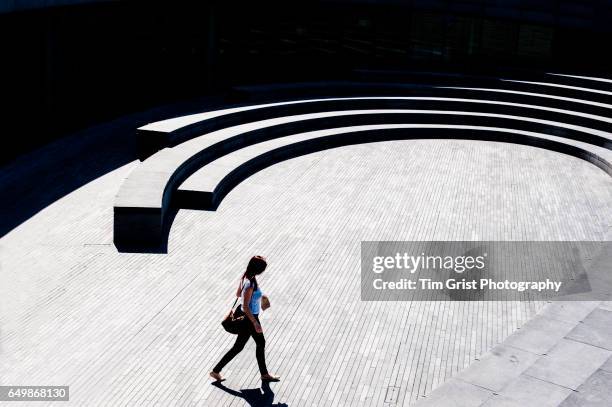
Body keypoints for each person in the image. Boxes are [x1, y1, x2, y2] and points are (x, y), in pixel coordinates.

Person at [210, 256, 280, 382]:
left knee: (239, 347)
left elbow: (238, 294)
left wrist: (258, 296)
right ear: (258, 269)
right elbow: (246, 306)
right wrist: (255, 323)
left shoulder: (246, 277)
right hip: (250, 319)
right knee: (260, 343)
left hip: (247, 318)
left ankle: (216, 371)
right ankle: (264, 374)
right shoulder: (250, 283)